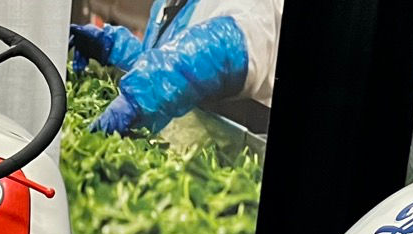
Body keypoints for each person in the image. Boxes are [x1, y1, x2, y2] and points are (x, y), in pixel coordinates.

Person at [68, 0, 281, 136]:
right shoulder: (168, 3)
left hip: (224, 167)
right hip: (174, 145)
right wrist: (116, 48)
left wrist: (142, 94)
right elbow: (162, 63)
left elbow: (223, 49)